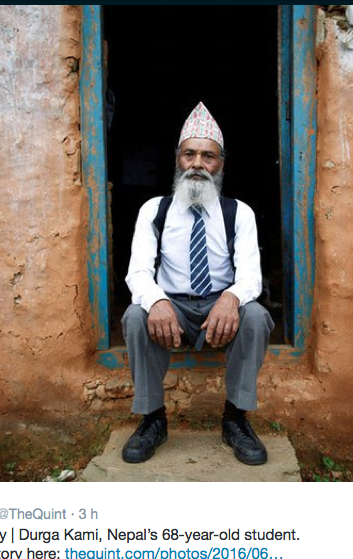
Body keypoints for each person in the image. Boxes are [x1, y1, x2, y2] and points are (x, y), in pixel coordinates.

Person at [120, 102, 274, 466]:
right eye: (190, 154)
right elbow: (138, 272)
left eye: (208, 156)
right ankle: (152, 418)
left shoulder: (239, 213)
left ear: (221, 164)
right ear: (177, 160)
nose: (198, 164)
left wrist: (232, 298)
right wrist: (157, 302)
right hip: (172, 309)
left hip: (219, 310)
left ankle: (235, 418)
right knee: (133, 316)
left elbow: (251, 274)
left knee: (255, 317)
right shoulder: (153, 210)